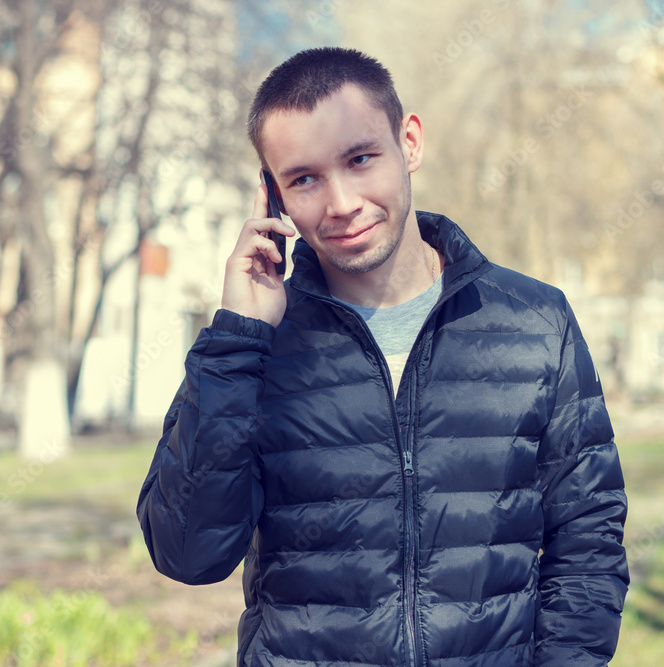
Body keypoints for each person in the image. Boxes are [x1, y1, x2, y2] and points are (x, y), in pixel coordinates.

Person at [137, 47, 628, 666]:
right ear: (273, 195)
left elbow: (587, 541)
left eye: (360, 159)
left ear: (410, 143)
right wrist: (238, 339)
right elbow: (188, 553)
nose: (340, 202)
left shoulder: (535, 320)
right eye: (305, 178)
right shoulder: (250, 350)